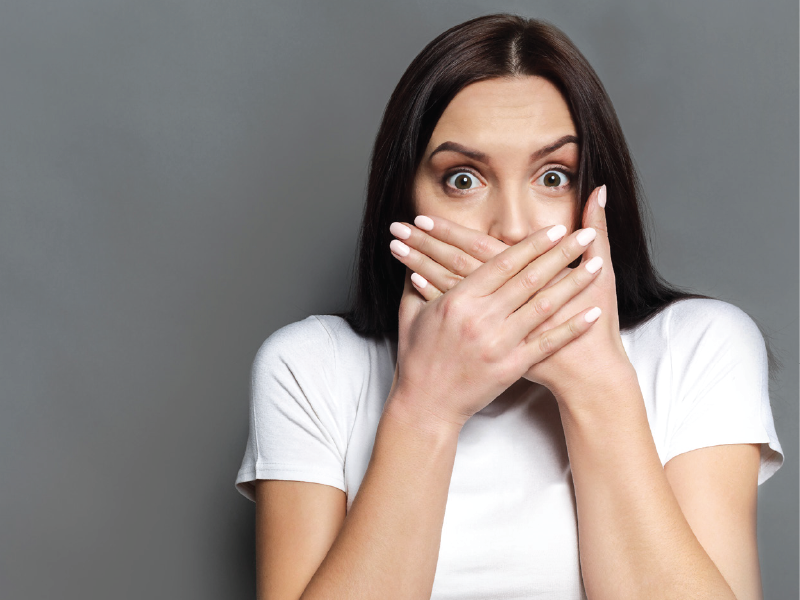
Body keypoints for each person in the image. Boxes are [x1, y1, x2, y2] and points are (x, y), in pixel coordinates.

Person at [235, 14, 784, 600]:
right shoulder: (310, 366)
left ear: (596, 193)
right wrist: (424, 407)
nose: (514, 228)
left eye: (554, 176)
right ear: (404, 198)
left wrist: (596, 385)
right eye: (463, 180)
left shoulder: (700, 347)